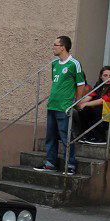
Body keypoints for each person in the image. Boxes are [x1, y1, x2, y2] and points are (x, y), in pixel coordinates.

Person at [35, 35, 85, 174]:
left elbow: (80, 84)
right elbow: (56, 83)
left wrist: (78, 101)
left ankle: (71, 164)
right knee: (50, 136)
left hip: (64, 106)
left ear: (63, 47)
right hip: (52, 105)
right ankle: (50, 163)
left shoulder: (74, 63)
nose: (53, 47)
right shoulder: (55, 63)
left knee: (65, 136)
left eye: (55, 45)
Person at [75, 66, 110, 144]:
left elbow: (102, 101)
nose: (108, 78)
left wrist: (84, 104)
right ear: (101, 76)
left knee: (98, 108)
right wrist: (78, 104)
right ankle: (88, 135)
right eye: (105, 75)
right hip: (103, 118)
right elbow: (90, 96)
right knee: (84, 110)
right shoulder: (99, 85)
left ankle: (100, 138)